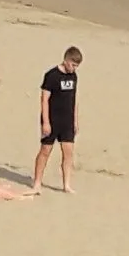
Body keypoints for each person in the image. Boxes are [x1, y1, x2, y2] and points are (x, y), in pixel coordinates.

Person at [32, 46, 81, 194]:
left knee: (68, 153)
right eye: (73, 65)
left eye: (77, 66)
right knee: (45, 151)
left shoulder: (74, 77)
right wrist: (46, 122)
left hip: (67, 121)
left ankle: (66, 185)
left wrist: (75, 121)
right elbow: (44, 100)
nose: (74, 68)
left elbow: (74, 99)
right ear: (66, 60)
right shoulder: (51, 75)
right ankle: (37, 183)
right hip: (52, 119)